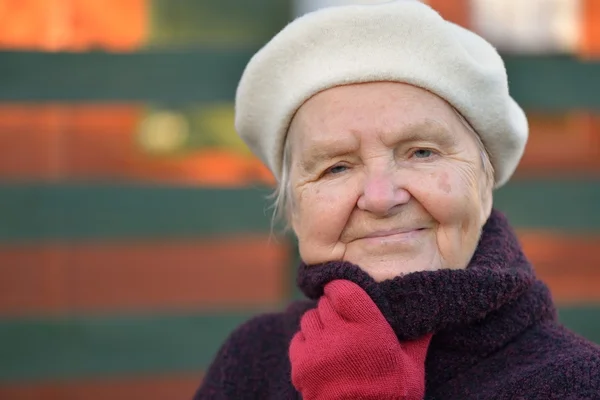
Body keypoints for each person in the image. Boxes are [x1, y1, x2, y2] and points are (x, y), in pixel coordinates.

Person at [194, 1, 600, 399]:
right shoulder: (251, 361)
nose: (381, 198)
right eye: (336, 167)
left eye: (421, 152)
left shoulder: (574, 383)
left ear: (484, 182)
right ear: (295, 213)